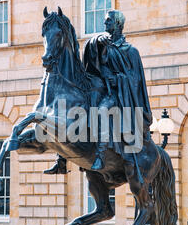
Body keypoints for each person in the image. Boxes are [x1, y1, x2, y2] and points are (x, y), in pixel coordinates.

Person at [44, 9, 152, 174]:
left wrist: (118, 80)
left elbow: (136, 81)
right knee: (71, 110)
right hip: (97, 88)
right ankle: (62, 158)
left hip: (116, 95)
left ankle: (100, 154)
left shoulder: (130, 51)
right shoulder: (101, 43)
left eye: (108, 20)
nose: (105, 23)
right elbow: (89, 63)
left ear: (117, 24)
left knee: (102, 111)